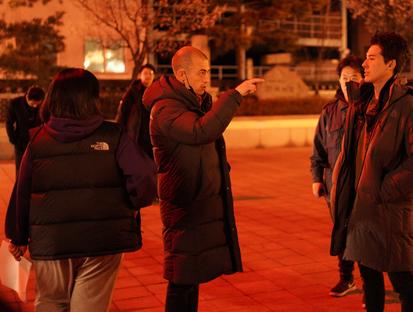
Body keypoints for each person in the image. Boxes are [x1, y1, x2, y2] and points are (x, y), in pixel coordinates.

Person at [5, 68, 157, 312]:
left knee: (51, 302)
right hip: (103, 239)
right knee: (90, 306)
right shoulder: (114, 135)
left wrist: (18, 236)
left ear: (54, 98)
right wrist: (134, 205)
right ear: (92, 99)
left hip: (51, 242)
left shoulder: (37, 141)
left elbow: (22, 191)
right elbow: (146, 174)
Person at [142, 46, 264, 312]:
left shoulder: (190, 102)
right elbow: (201, 131)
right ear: (182, 74)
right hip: (183, 204)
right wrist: (235, 95)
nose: (207, 78)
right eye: (202, 72)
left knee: (191, 275)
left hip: (197, 200)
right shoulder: (165, 107)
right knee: (181, 278)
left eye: (208, 71)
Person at [330, 31, 413, 312]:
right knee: (369, 278)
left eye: (371, 57)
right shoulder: (363, 106)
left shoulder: (411, 108)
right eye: (365, 57)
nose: (364, 63)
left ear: (391, 65)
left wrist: (382, 190)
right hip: (360, 208)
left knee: (402, 281)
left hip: (388, 211)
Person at [310, 55, 363, 297]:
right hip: (335, 185)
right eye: (345, 78)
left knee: (363, 233)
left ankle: (371, 286)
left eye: (354, 78)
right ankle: (346, 278)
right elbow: (319, 147)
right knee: (341, 230)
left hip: (363, 184)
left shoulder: (371, 108)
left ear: (364, 79)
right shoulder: (330, 111)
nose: (348, 82)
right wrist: (316, 178)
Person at [116, 63, 156, 159]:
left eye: (151, 73)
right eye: (145, 73)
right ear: (140, 75)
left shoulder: (158, 93)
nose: (148, 76)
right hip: (136, 137)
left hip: (154, 138)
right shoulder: (131, 94)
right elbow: (122, 115)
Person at [6, 85, 45, 175]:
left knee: (37, 169)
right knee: (21, 170)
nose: (35, 106)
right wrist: (14, 140)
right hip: (21, 140)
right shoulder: (15, 103)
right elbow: (9, 123)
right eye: (33, 103)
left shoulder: (43, 104)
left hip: (37, 141)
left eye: (37, 104)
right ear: (27, 97)